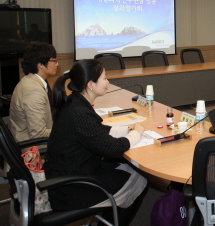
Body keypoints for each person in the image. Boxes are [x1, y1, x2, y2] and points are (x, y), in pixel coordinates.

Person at [44, 60, 147, 225]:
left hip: (71, 171)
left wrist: (126, 130)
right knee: (140, 179)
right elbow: (114, 149)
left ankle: (108, 215)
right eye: (105, 78)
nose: (108, 82)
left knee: (131, 170)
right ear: (91, 84)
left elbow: (96, 131)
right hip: (72, 188)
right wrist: (136, 133)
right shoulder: (79, 114)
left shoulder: (74, 103)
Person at [9, 43, 58, 141]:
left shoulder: (29, 80)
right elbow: (39, 134)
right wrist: (67, 130)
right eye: (54, 60)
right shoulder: (33, 90)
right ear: (40, 65)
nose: (57, 64)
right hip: (34, 148)